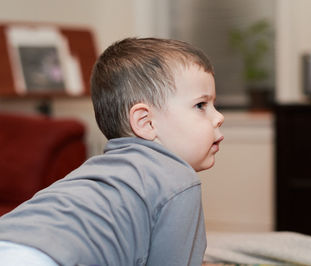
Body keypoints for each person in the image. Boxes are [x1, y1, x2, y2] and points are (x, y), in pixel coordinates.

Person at [0, 37, 224, 266]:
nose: (219, 117)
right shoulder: (178, 179)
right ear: (146, 122)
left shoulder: (96, 169)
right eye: (201, 106)